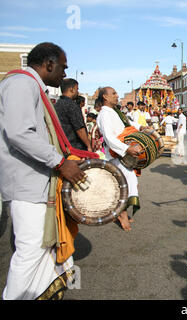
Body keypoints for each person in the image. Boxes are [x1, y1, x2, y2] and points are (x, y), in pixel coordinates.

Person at [0, 42, 86, 300]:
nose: (64, 74)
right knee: (31, 251)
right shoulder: (21, 84)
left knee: (41, 247)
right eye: (62, 67)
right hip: (27, 185)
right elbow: (19, 133)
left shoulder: (29, 85)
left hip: (36, 183)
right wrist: (61, 163)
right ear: (49, 64)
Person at [96, 86, 149, 231]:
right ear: (105, 97)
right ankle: (121, 213)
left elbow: (128, 124)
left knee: (129, 183)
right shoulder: (104, 114)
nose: (117, 95)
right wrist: (127, 148)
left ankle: (122, 211)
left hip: (122, 154)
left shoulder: (116, 112)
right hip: (115, 155)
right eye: (114, 93)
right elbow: (109, 137)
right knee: (125, 184)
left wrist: (141, 128)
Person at [54, 78, 92, 152]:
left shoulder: (57, 104)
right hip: (75, 148)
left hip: (62, 147)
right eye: (77, 89)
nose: (78, 92)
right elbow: (80, 129)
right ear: (72, 89)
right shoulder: (72, 105)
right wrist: (88, 146)